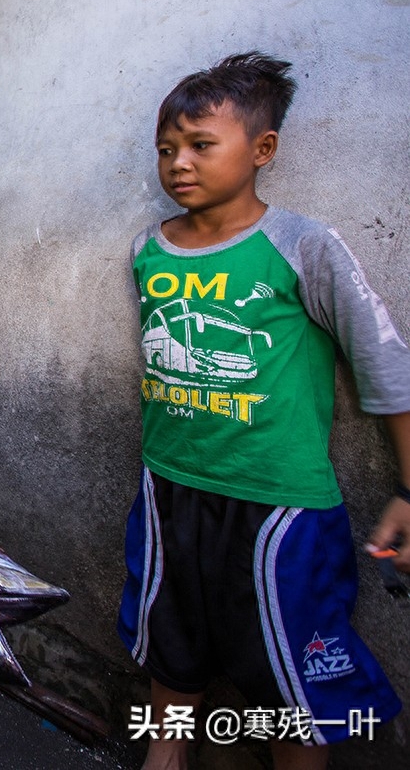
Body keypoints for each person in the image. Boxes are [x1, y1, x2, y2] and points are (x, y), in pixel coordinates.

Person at [117, 53, 410, 770]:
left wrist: (407, 488)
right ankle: (167, 752)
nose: (178, 163)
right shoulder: (147, 251)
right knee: (169, 635)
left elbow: (386, 366)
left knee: (288, 672)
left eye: (199, 145)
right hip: (170, 486)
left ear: (262, 150)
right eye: (166, 149)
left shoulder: (302, 245)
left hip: (278, 502)